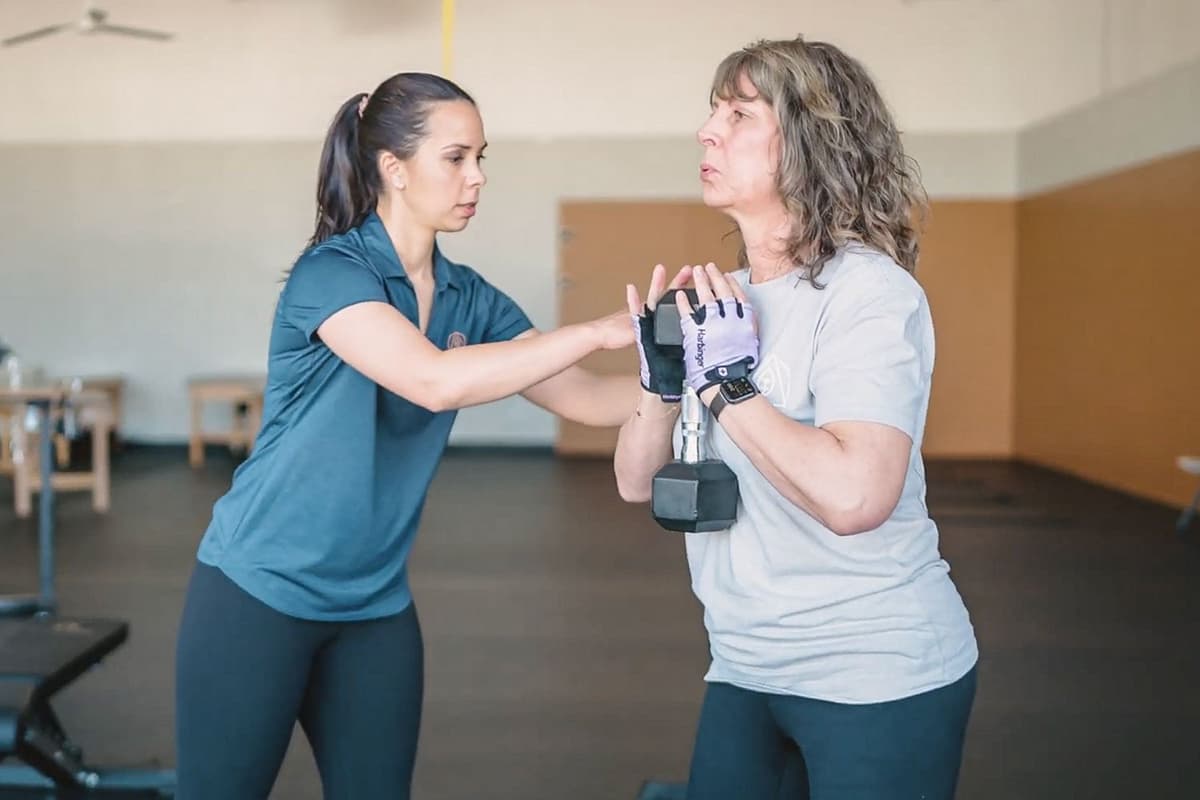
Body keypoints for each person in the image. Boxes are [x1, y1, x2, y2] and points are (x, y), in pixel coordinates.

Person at [174, 72, 670, 799]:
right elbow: (433, 379)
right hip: (257, 594)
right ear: (394, 169)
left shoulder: (471, 297)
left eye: (481, 158)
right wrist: (594, 330)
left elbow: (589, 399)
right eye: (457, 157)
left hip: (372, 607)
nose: (478, 177)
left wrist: (698, 383)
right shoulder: (332, 273)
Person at [615, 36, 979, 800]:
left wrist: (726, 385)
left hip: (875, 667)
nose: (706, 132)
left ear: (811, 142)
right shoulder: (724, 300)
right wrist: (663, 381)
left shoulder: (869, 294)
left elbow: (855, 497)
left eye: (739, 115)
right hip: (744, 662)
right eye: (713, 112)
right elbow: (635, 481)